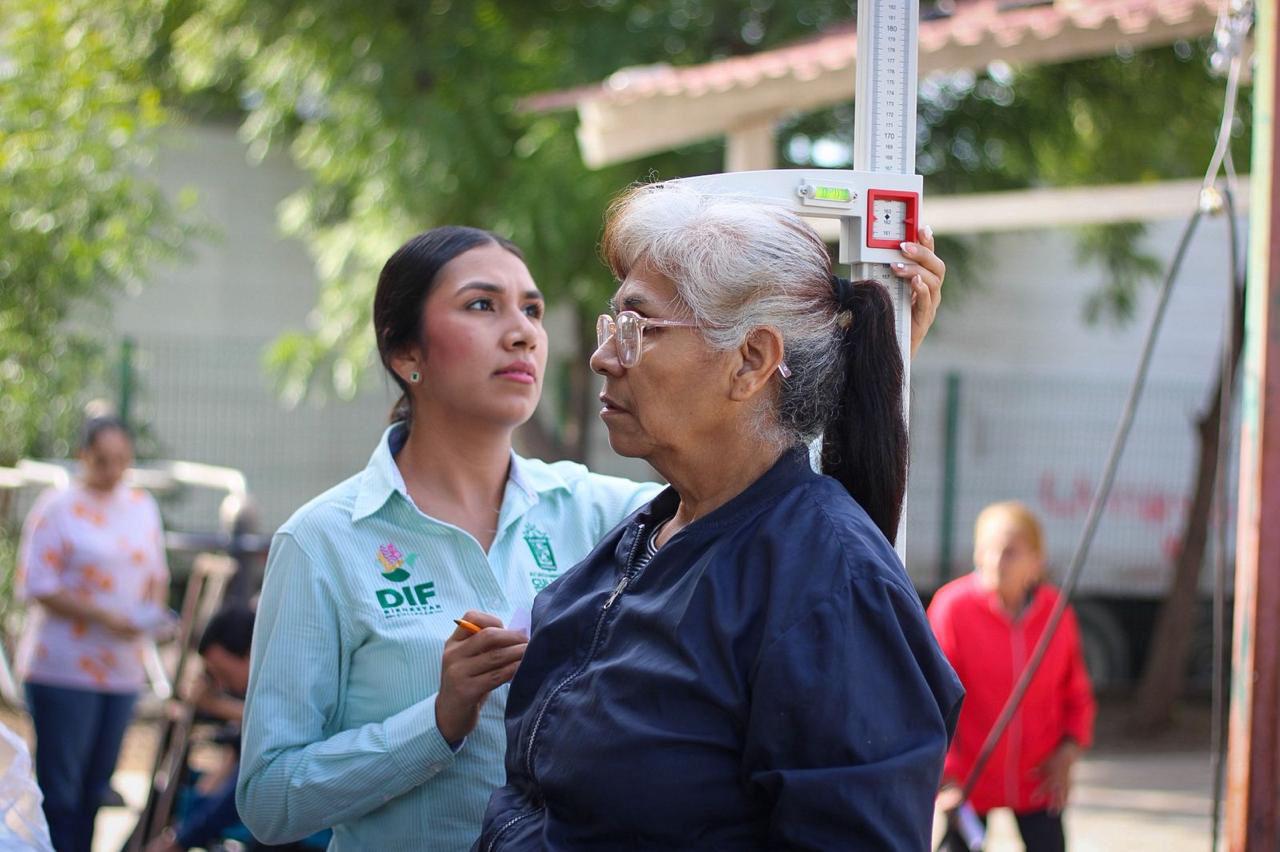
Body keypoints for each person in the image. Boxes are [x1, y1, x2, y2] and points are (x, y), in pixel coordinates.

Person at [238, 223, 946, 850]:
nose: (525, 334)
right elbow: (269, 802)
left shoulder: (605, 513)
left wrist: (865, 372)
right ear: (404, 351)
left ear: (752, 360)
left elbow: (775, 512)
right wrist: (439, 719)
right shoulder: (325, 541)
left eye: (534, 310)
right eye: (482, 305)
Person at [477, 183, 964, 851]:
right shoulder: (653, 532)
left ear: (752, 361)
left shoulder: (829, 583)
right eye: (611, 323)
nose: (603, 356)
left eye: (639, 327)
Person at [16, 415, 170, 852]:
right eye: (104, 460)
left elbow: (155, 571)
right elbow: (37, 584)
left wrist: (151, 613)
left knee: (96, 787)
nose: (114, 470)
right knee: (61, 791)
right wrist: (105, 616)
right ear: (84, 456)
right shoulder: (56, 507)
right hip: (64, 669)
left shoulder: (140, 504)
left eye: (122, 460)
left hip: (121, 668)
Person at [929, 501, 1096, 852]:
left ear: (1037, 561)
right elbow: (932, 699)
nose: (994, 562)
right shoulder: (952, 608)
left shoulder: (1056, 613)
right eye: (986, 549)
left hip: (1036, 778)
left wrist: (1068, 752)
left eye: (1008, 552)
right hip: (968, 779)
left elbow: (1076, 692)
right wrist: (945, 775)